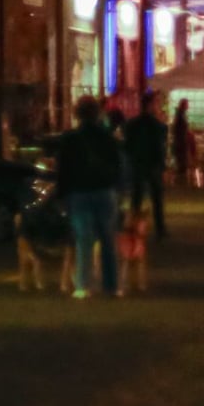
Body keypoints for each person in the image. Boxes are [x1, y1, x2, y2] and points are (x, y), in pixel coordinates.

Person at [58, 96, 123, 299]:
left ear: (77, 114)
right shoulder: (108, 138)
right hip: (105, 191)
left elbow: (63, 169)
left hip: (79, 192)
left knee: (84, 239)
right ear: (98, 114)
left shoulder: (69, 139)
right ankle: (111, 285)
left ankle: (83, 285)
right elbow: (118, 166)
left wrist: (62, 194)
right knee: (108, 240)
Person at [124, 93, 170, 240]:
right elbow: (159, 147)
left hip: (138, 163)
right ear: (150, 105)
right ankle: (160, 228)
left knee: (136, 197)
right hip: (152, 164)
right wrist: (162, 165)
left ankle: (133, 226)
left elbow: (127, 145)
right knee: (156, 197)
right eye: (155, 103)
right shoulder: (158, 126)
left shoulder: (131, 125)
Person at [172, 99, 194, 189]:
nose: (188, 106)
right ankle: (180, 182)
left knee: (182, 161)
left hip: (181, 141)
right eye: (187, 104)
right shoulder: (180, 115)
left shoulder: (180, 114)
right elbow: (177, 128)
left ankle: (181, 181)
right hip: (180, 141)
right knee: (182, 161)